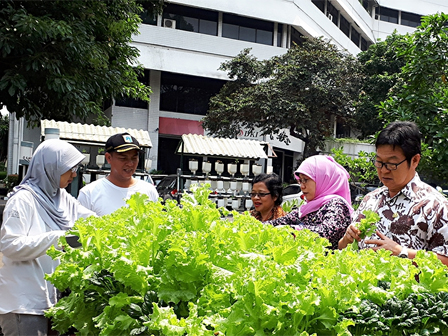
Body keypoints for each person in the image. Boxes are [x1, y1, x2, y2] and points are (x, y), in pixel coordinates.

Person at [0, 139, 95, 336]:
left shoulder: (61, 198)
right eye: (69, 168)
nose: (74, 174)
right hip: (23, 304)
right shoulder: (22, 200)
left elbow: (92, 222)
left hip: (51, 302)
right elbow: (9, 244)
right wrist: (58, 239)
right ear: (52, 166)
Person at [338, 121, 448, 265]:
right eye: (379, 162)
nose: (383, 170)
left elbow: (445, 260)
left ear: (414, 160)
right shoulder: (370, 199)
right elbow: (342, 249)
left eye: (391, 164)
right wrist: (347, 239)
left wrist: (401, 252)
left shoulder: (435, 205)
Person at [267, 155, 353, 249]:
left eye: (306, 180)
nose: (302, 186)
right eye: (300, 180)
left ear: (323, 179)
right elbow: (281, 221)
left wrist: (291, 230)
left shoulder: (337, 205)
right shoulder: (309, 207)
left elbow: (326, 232)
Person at [78, 132, 159, 216]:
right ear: (108, 158)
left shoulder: (149, 190)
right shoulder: (89, 193)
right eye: (123, 158)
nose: (130, 164)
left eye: (134, 158)